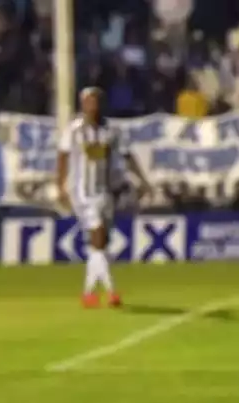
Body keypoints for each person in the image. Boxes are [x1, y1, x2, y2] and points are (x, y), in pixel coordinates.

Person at [56, 87, 154, 309]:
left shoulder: (112, 131)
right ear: (82, 105)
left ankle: (88, 293)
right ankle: (111, 292)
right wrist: (60, 187)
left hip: (105, 192)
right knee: (98, 236)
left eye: (97, 101)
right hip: (82, 192)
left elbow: (128, 156)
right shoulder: (73, 130)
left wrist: (144, 181)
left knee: (100, 245)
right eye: (89, 102)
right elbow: (62, 157)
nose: (93, 106)